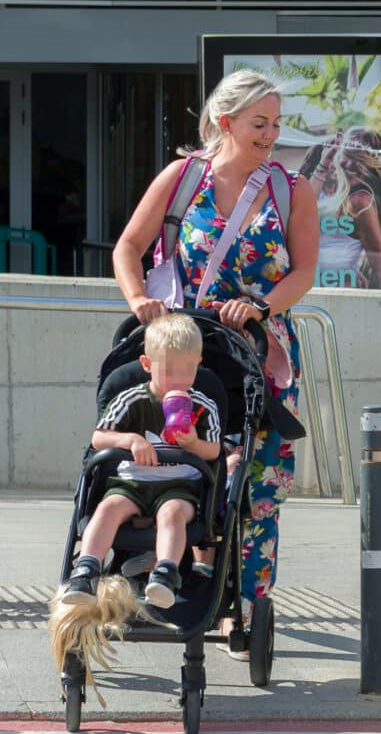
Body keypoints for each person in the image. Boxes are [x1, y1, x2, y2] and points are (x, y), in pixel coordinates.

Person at [111, 68, 319, 660]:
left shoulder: (290, 190)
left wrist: (260, 305)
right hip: (180, 355)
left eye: (277, 124)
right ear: (225, 122)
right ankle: (178, 570)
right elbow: (128, 247)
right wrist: (139, 303)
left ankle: (244, 610)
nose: (271, 134)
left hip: (259, 354)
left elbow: (302, 271)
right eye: (260, 123)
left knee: (259, 482)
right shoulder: (182, 180)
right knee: (183, 464)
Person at [61, 313, 222, 609]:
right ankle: (86, 569)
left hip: (179, 484)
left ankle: (165, 574)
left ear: (198, 363)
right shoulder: (130, 399)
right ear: (146, 365)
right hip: (132, 481)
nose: (178, 379)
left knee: (173, 514)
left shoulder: (203, 405)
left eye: (187, 370)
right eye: (169, 370)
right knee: (108, 508)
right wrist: (130, 440)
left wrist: (193, 443)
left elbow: (214, 451)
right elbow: (99, 438)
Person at [307, 128, 381, 288]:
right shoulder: (327, 192)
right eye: (348, 156)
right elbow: (303, 211)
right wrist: (322, 165)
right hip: (308, 286)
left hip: (339, 288)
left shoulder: (360, 202)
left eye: (359, 161)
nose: (350, 165)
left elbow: (379, 264)